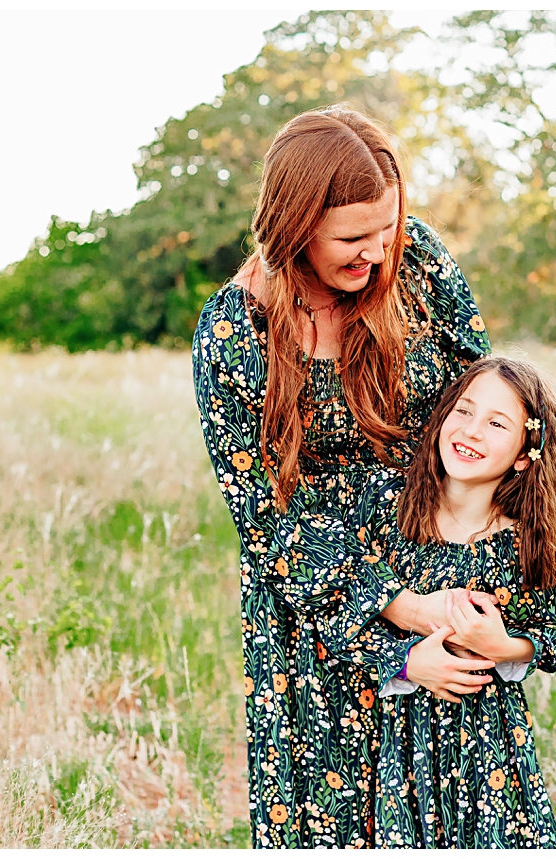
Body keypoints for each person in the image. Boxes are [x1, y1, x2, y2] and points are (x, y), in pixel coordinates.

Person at [191, 104, 501, 847]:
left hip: (441, 562)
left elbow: (487, 394)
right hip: (319, 617)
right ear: (295, 226)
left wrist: (483, 569)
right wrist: (400, 618)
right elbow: (267, 522)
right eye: (353, 238)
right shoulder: (236, 333)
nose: (377, 252)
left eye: (387, 228)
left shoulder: (417, 260)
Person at [311, 357, 556, 846]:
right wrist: (407, 661)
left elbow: (554, 636)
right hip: (397, 743)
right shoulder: (387, 511)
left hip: (488, 751)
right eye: (464, 411)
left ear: (525, 453)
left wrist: (503, 645)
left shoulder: (521, 542)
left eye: (497, 424)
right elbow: (338, 617)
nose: (472, 431)